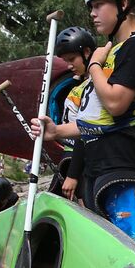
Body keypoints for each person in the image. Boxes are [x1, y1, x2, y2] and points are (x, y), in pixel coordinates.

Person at [32, 0, 135, 242]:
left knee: (127, 250)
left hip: (124, 167)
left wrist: (94, 64)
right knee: (105, 252)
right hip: (101, 168)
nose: (92, 13)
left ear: (124, 3)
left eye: (98, 5)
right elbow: (98, 119)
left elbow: (116, 103)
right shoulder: (116, 52)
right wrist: (56, 131)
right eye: (90, 7)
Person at [47, 26, 97, 203]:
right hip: (69, 155)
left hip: (80, 158)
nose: (69, 65)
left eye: (71, 59)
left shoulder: (96, 84)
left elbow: (87, 129)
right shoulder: (80, 83)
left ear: (87, 52)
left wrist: (73, 174)